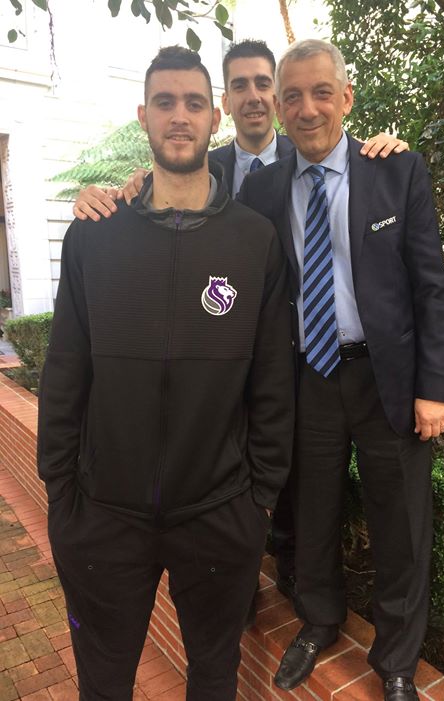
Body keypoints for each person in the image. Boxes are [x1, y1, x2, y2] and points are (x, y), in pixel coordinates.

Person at [71, 39, 410, 602]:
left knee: (307, 497)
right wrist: (112, 192)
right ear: (224, 104)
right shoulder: (214, 167)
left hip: (313, 364)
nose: (254, 96)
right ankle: (255, 586)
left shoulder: (322, 150)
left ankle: (294, 583)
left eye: (263, 83)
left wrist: (387, 150)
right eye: (239, 85)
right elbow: (161, 191)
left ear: (274, 96)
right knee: (285, 497)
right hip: (241, 369)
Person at [37, 45, 295, 701]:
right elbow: (65, 371)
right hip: (102, 515)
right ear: (143, 116)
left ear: (214, 117)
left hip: (219, 514)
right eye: (165, 102)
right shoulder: (95, 236)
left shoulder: (254, 240)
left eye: (193, 103)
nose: (179, 116)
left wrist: (257, 499)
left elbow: (272, 383)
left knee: (213, 678)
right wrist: (62, 496)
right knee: (103, 684)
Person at [237, 39, 444, 701]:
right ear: (280, 107)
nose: (307, 109)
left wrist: (433, 388)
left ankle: (396, 660)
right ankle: (319, 621)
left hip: (388, 379)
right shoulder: (264, 187)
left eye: (321, 92)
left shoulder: (395, 169)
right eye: (293, 96)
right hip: (310, 376)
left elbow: (431, 288)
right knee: (312, 511)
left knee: (401, 525)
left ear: (347, 98)